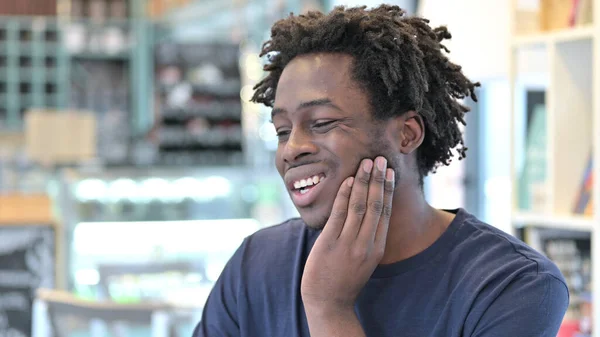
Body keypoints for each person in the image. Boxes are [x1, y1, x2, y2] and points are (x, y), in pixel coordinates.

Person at [193, 4, 569, 337]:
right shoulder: (257, 264)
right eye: (282, 131)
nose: (291, 150)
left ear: (406, 134)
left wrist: (329, 309)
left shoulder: (512, 286)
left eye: (322, 122)